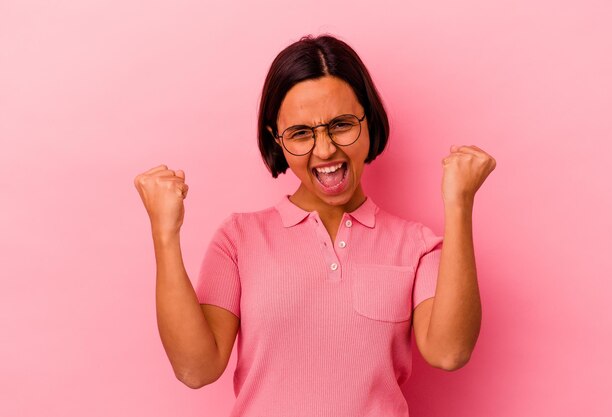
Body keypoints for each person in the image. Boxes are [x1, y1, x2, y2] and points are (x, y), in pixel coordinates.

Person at [134, 33, 495, 417]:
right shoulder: (238, 240)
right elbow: (196, 368)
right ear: (278, 140)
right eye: (302, 133)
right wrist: (164, 234)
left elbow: (449, 351)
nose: (325, 151)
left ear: (369, 121)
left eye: (341, 125)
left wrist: (459, 204)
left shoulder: (417, 246)